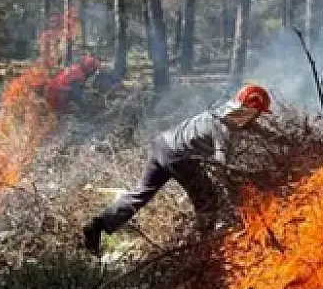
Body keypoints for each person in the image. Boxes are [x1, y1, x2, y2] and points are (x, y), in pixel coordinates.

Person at [81, 84, 272, 254]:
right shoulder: (224, 128)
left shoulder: (225, 112)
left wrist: (284, 139)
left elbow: (252, 127)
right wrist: (236, 191)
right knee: (209, 201)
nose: (257, 118)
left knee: (140, 194)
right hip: (179, 157)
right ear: (247, 109)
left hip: (162, 145)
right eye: (257, 113)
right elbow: (222, 167)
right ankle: (204, 249)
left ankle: (98, 226)